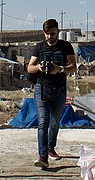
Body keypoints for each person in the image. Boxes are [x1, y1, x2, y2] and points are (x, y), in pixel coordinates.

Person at [27, 18, 76, 168]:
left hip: (59, 90)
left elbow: (73, 67)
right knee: (43, 122)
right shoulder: (39, 47)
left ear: (58, 32)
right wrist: (39, 68)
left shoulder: (65, 46)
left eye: (53, 33)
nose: (50, 36)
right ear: (44, 33)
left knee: (54, 123)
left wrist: (59, 68)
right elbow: (30, 67)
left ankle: (50, 148)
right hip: (41, 89)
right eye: (47, 34)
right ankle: (43, 156)